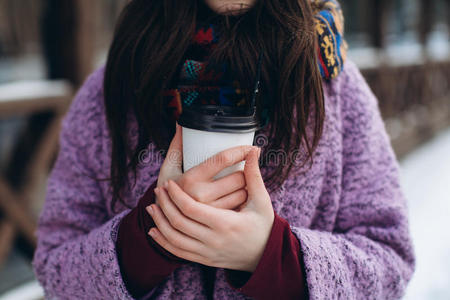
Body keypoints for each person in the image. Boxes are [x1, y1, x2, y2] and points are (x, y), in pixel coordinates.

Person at [32, 0, 415, 299]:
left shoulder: (335, 88)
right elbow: (55, 268)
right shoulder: (113, 87)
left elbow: (389, 260)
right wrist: (149, 237)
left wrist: (273, 256)